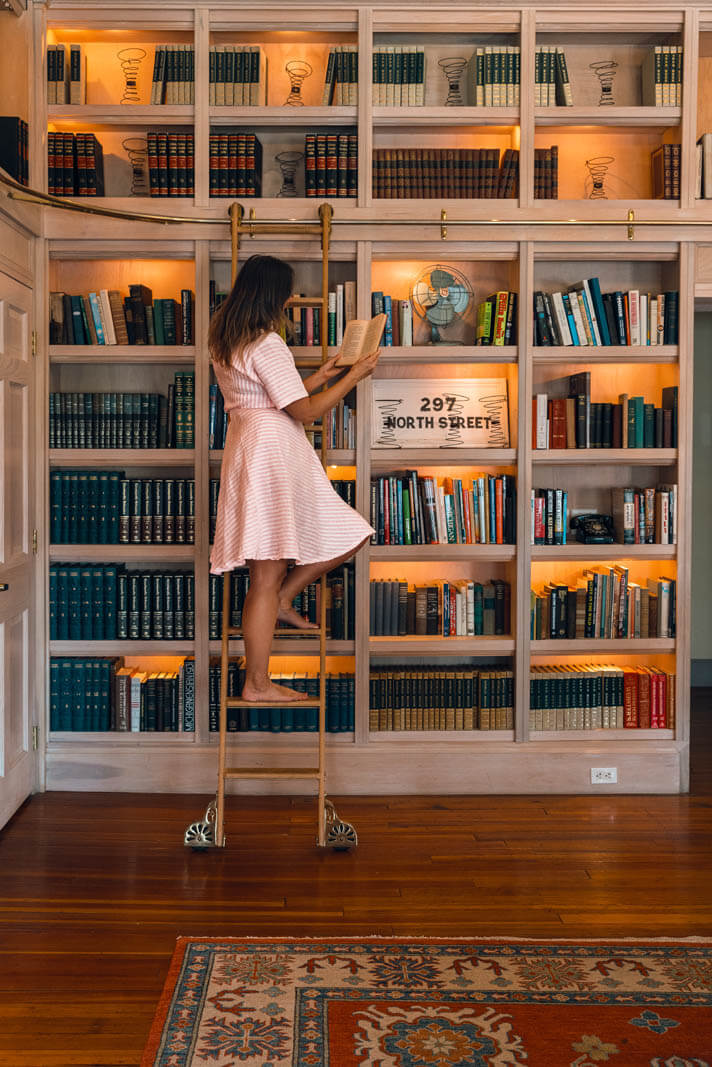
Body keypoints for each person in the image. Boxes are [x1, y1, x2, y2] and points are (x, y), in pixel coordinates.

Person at [209, 254, 379, 704]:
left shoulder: (226, 340)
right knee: (265, 575)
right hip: (270, 451)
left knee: (344, 534)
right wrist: (353, 378)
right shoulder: (267, 343)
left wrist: (319, 375)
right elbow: (302, 411)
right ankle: (258, 683)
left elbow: (263, 392)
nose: (289, 300)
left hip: (251, 444)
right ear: (274, 295)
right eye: (286, 293)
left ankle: (283, 600)